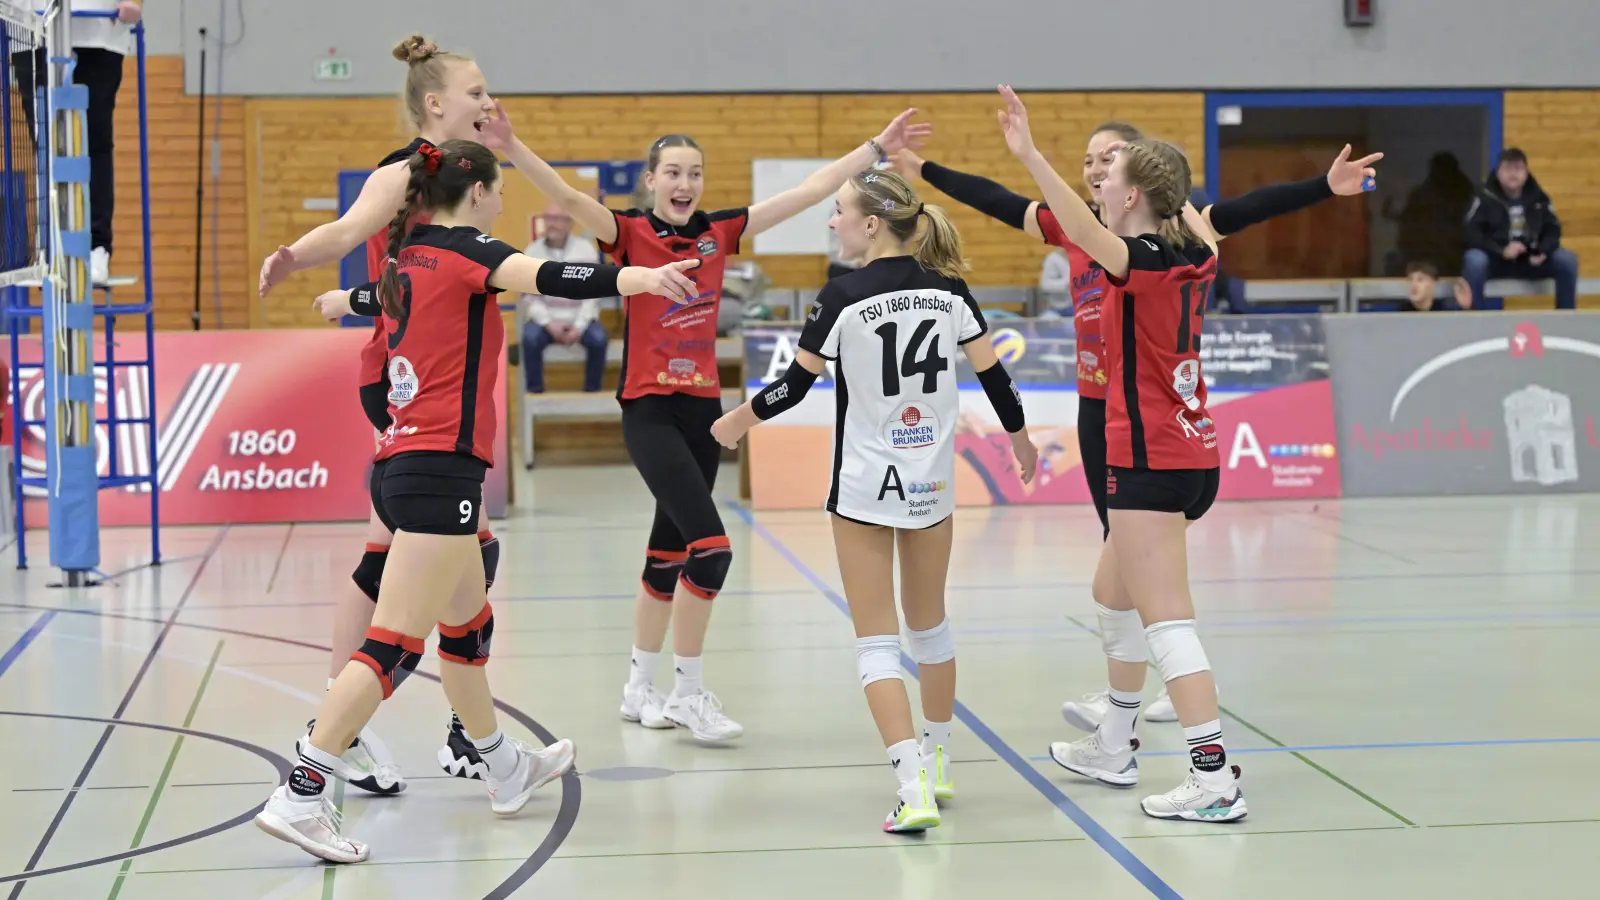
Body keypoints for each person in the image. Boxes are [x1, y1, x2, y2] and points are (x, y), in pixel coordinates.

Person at [257, 139, 700, 863]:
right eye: (497, 194)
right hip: (437, 470)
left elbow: (378, 298)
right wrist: (639, 276)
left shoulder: (405, 254)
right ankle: (302, 792)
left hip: (405, 466)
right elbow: (553, 273)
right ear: (479, 192)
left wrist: (343, 298)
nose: (502, 206)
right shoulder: (468, 249)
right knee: (395, 644)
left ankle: (500, 765)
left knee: (465, 625)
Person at [892, 123, 1379, 738]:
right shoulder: (1084, 232)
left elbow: (1249, 208)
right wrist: (926, 170)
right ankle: (1129, 699)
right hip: (1104, 408)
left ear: (1137, 179)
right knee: (1120, 555)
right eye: (1089, 159)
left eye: (1110, 158)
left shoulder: (1154, 241)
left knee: (1132, 561)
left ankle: (1157, 688)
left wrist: (1321, 188)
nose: (1097, 168)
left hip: (1147, 422)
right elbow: (994, 198)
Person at [998, 85, 1378, 820]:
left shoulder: (1134, 258)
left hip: (1150, 458)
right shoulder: (1196, 243)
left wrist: (1030, 155)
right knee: (1113, 597)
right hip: (1193, 452)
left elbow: (1078, 222)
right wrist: (1321, 189)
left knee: (1168, 621)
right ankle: (1114, 740)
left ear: (1136, 193)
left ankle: (1212, 777)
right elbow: (1251, 205)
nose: (1097, 183)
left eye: (1108, 176)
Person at [494, 106, 931, 741]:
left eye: (694, 173)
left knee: (666, 554)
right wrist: (510, 144)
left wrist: (874, 149)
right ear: (650, 179)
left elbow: (807, 193)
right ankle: (687, 693)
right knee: (713, 550)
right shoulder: (626, 233)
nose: (685, 182)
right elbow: (563, 194)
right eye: (673, 171)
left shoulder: (719, 232)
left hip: (705, 412)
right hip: (649, 409)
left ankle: (637, 686)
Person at [710, 170, 1037, 832]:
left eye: (838, 212)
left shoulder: (841, 297)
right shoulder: (951, 292)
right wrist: (1021, 442)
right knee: (932, 627)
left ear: (870, 224)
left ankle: (912, 786)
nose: (832, 222)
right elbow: (995, 377)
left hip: (864, 487)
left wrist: (738, 420)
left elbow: (796, 388)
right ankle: (939, 764)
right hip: (932, 488)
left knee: (877, 644)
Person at [259, 35, 515, 789]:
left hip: (431, 378)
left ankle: (462, 736)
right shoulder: (405, 173)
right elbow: (346, 232)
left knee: (458, 560)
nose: (487, 102)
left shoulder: (466, 177)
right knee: (391, 567)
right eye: (475, 93)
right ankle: (338, 728)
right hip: (404, 386)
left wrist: (352, 297)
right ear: (435, 104)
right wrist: (296, 259)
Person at [13, 0, 141, 284]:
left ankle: (97, 247)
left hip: (97, 29)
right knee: (44, 143)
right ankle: (49, 242)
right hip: (30, 28)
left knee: (95, 140)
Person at [1462, 148, 1580, 310]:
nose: (1513, 174)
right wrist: (1501, 250)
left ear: (1526, 173)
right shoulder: (1483, 196)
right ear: (1498, 172)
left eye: (1518, 168)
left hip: (1530, 261)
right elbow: (1471, 233)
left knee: (1567, 260)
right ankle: (1475, 322)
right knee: (1474, 260)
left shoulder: (1539, 197)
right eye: (1508, 168)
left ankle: (1566, 320)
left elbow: (1553, 229)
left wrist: (1542, 251)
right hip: (1496, 260)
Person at [521, 203, 609, 393]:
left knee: (599, 339)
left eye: (559, 219)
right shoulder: (532, 252)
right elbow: (529, 298)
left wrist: (579, 326)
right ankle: (535, 396)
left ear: (570, 224)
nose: (553, 224)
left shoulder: (586, 250)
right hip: (546, 321)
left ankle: (592, 394)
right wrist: (549, 324)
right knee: (530, 339)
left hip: (579, 319)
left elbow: (593, 295)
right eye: (549, 218)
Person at [1399, 260, 1470, 312]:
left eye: (1420, 280)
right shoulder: (1399, 312)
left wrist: (1466, 308)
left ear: (1432, 283)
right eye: (1410, 279)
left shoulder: (1443, 311)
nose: (1413, 284)